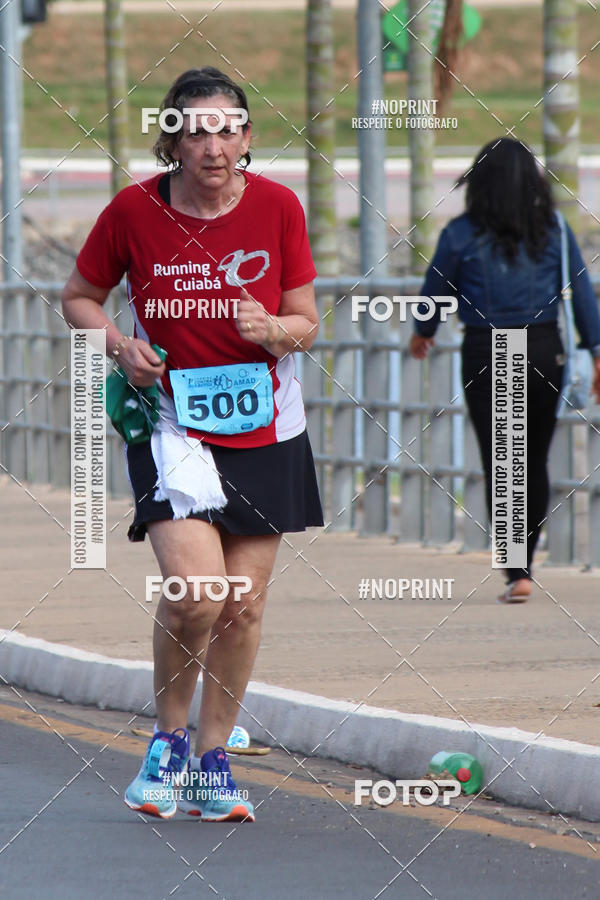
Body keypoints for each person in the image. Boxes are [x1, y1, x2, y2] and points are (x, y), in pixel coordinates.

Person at [62, 66, 323, 821]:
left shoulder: (278, 207)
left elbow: (307, 319)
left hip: (266, 426)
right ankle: (167, 742)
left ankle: (213, 763)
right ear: (172, 138)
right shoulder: (133, 211)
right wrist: (116, 345)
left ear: (247, 137)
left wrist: (271, 330)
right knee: (196, 594)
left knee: (242, 605)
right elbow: (79, 297)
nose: (214, 145)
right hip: (171, 420)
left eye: (229, 128)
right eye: (196, 129)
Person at [409, 137, 600, 603]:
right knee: (532, 457)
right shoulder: (554, 228)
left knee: (503, 460)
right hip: (542, 348)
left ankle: (517, 569)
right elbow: (583, 294)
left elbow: (434, 292)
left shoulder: (460, 233)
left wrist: (423, 332)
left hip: (487, 350)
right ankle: (524, 565)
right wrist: (596, 352)